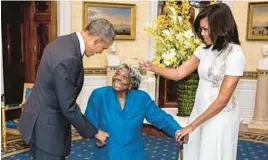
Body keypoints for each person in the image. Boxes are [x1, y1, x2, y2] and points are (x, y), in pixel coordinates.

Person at [139, 3, 245, 160]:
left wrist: (191, 126)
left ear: (220, 27)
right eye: (200, 29)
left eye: (205, 29)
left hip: (220, 116)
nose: (201, 33)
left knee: (212, 154)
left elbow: (222, 100)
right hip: (199, 109)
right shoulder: (203, 49)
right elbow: (178, 73)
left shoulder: (235, 54)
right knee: (194, 152)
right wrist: (153, 67)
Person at [18, 18, 115, 160]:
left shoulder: (62, 41)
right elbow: (68, 106)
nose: (100, 52)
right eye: (103, 48)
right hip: (47, 130)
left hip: (38, 120)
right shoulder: (69, 58)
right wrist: (95, 132)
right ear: (96, 40)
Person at [84, 63, 182, 160]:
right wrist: (96, 135)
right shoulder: (99, 94)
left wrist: (178, 131)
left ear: (131, 84)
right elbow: (89, 120)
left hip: (132, 154)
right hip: (107, 152)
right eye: (117, 74)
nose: (118, 78)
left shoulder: (141, 98)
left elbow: (160, 118)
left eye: (124, 77)